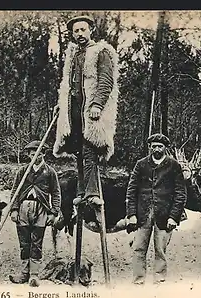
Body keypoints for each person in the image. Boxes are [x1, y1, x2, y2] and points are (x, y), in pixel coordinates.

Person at [52, 15, 119, 216]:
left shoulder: (101, 52)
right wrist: (60, 106)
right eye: (76, 31)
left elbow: (107, 81)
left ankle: (92, 192)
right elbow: (67, 85)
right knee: (79, 152)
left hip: (92, 112)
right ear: (72, 34)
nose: (80, 34)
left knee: (90, 150)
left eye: (83, 30)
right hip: (74, 112)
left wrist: (97, 104)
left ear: (91, 30)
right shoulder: (72, 55)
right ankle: (82, 191)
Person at [125, 133, 187, 284]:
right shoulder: (141, 164)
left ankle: (159, 281)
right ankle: (138, 281)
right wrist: (131, 214)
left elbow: (180, 194)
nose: (157, 149)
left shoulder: (173, 166)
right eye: (154, 146)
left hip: (164, 215)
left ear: (166, 148)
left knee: (160, 250)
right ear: (150, 147)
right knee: (138, 248)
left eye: (160, 146)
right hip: (143, 214)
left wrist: (174, 217)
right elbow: (131, 190)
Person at [9, 140, 62, 287]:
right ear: (28, 155)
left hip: (41, 209)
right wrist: (14, 209)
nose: (35, 157)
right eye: (32, 154)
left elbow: (56, 193)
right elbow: (15, 191)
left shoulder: (50, 172)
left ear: (43, 154)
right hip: (23, 208)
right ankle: (24, 273)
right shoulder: (22, 171)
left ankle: (34, 275)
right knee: (24, 242)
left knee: (36, 242)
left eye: (38, 154)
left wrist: (54, 212)